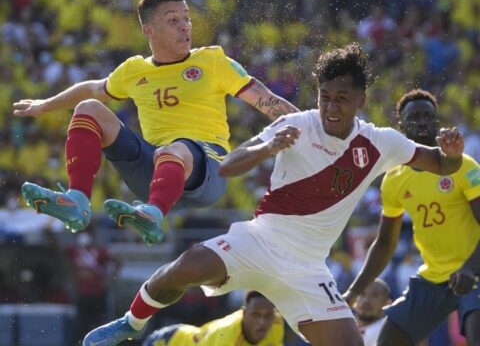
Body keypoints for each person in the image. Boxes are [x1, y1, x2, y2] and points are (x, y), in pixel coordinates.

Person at [82, 43, 464, 346]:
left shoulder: (381, 142)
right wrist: (268, 147)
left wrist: (450, 154)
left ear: (361, 100)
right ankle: (130, 324)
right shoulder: (296, 124)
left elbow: (441, 164)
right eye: (324, 96)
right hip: (260, 241)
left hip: (308, 269)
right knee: (184, 269)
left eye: (341, 98)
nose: (331, 107)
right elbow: (229, 165)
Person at [13, 0, 298, 244]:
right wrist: (45, 104)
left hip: (208, 171)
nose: (185, 26)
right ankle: (76, 202)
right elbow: (92, 88)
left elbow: (267, 101)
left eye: (186, 18)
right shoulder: (134, 70)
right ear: (149, 29)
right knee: (88, 109)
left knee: (175, 149)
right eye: (173, 20)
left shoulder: (213, 61)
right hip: (153, 170)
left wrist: (316, 128)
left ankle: (152, 215)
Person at [343, 89, 480, 345]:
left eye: (427, 116)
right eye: (413, 117)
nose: (421, 122)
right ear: (401, 126)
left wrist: (469, 268)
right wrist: (353, 292)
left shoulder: (465, 166)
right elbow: (385, 244)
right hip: (434, 278)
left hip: (475, 271)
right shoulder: (394, 179)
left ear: (437, 122)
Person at [142, 290, 284, 346]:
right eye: (256, 315)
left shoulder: (277, 322)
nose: (262, 322)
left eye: (268, 316)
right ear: (244, 313)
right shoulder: (227, 338)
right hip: (167, 342)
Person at [354, 279, 391, 346]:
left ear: (387, 303)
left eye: (375, 295)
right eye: (362, 294)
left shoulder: (390, 333)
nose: (366, 301)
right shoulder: (342, 328)